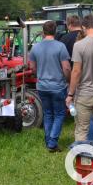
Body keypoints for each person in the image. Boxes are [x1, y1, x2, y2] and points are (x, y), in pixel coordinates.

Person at [28, 20, 70, 152]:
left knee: (47, 114)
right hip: (58, 86)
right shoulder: (61, 47)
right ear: (55, 30)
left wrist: (40, 74)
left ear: (43, 31)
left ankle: (48, 139)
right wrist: (68, 80)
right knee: (59, 114)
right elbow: (66, 68)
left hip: (42, 86)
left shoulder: (35, 47)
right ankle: (52, 142)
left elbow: (32, 68)